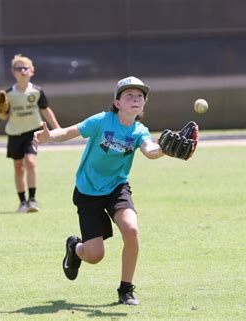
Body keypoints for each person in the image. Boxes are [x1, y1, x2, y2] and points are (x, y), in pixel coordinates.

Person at [34, 76, 165, 305]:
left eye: (140, 97)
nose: (135, 99)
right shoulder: (102, 121)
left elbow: (150, 151)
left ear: (143, 105)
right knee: (95, 256)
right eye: (129, 96)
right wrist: (48, 137)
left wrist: (165, 150)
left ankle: (126, 289)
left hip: (117, 187)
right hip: (88, 192)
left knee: (131, 230)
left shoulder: (139, 130)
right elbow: (68, 132)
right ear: (117, 103)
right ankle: (75, 248)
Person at [0, 54, 61, 213]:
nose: (22, 71)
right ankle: (22, 202)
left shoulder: (37, 91)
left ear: (32, 71)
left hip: (32, 132)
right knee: (19, 168)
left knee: (30, 162)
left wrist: (58, 128)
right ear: (14, 72)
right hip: (14, 133)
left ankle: (32, 200)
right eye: (19, 68)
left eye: (25, 68)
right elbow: (4, 115)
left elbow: (45, 110)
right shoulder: (8, 94)